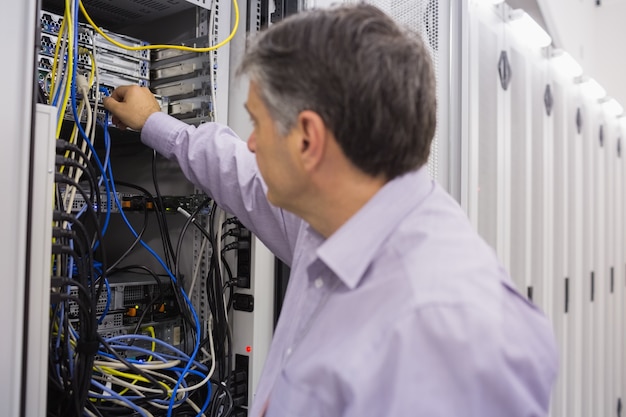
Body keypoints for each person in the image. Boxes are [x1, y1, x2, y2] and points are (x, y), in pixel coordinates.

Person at [103, 4, 558, 416]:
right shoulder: (334, 218)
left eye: (258, 123)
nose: (253, 142)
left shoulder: (449, 332)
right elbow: (238, 172)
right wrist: (154, 123)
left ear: (309, 140)